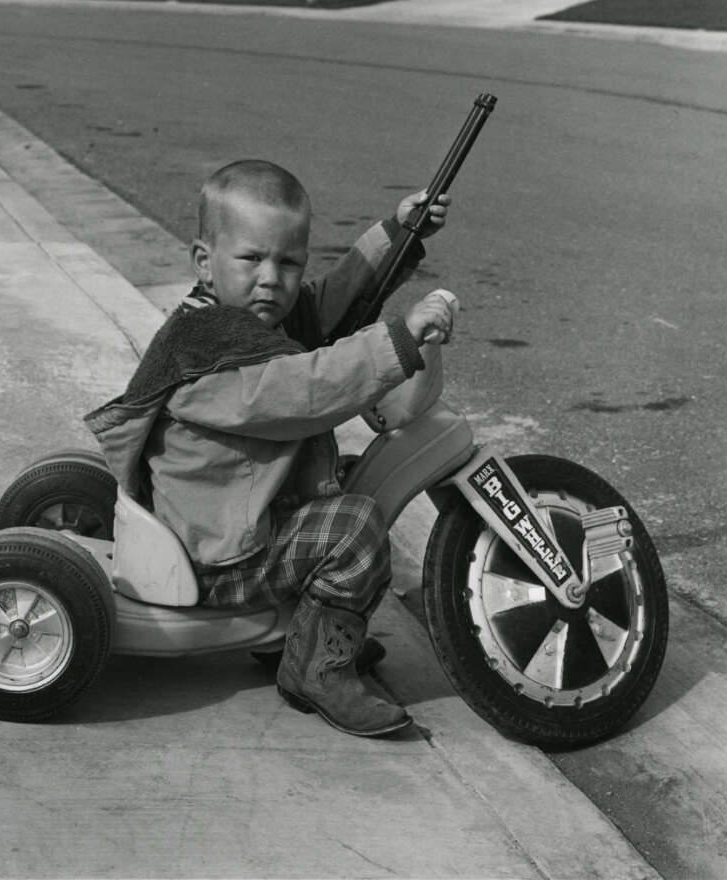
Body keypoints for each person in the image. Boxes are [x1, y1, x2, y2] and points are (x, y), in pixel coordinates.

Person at [86, 160, 455, 738]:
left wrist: (396, 235)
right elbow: (308, 389)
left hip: (237, 518)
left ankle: (303, 633)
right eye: (252, 259)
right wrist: (399, 342)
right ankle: (314, 669)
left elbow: (328, 304)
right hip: (217, 555)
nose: (272, 279)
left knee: (351, 483)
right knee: (356, 526)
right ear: (204, 262)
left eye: (288, 262)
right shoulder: (208, 355)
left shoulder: (238, 319)